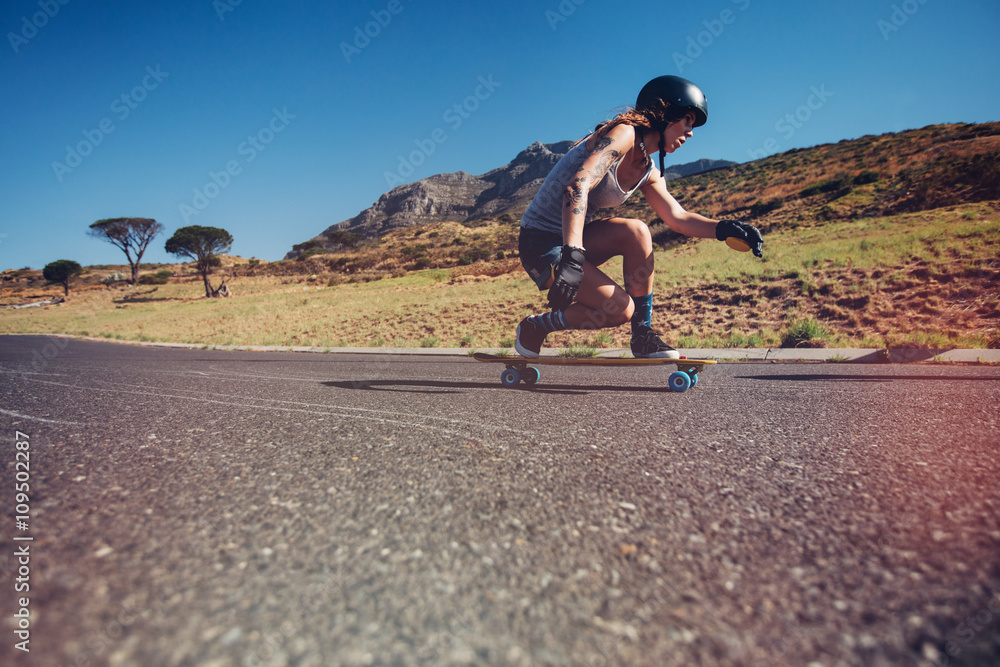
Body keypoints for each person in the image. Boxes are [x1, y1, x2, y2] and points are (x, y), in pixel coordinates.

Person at [515, 75, 763, 359]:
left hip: (572, 238)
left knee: (637, 231)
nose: (691, 132)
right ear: (665, 113)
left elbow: (678, 217)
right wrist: (573, 256)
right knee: (619, 309)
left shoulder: (647, 168)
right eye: (687, 120)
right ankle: (536, 327)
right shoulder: (623, 134)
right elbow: (577, 186)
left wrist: (727, 228)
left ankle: (643, 334)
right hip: (539, 242)